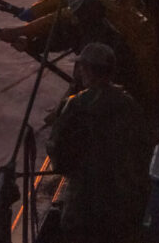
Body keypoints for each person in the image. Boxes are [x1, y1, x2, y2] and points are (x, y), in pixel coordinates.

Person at [43, 42, 152, 243]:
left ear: (87, 70)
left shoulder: (75, 105)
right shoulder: (130, 104)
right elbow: (144, 149)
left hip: (83, 206)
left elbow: (57, 151)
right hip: (123, 205)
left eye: (82, 67)